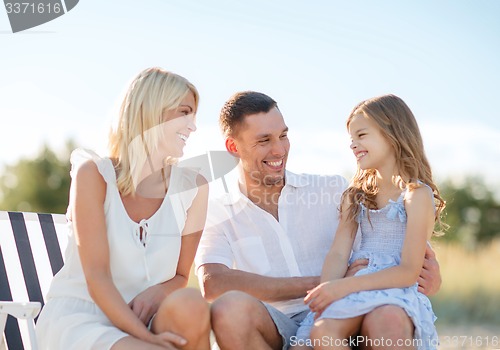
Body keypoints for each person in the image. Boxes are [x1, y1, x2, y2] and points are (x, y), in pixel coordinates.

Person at [194, 91, 442, 350]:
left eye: (283, 136)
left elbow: (393, 254)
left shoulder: (333, 190)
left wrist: (428, 278)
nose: (278, 149)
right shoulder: (218, 209)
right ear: (234, 147)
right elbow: (213, 283)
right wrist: (327, 287)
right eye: (264, 140)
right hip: (282, 322)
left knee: (387, 320)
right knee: (230, 309)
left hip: (355, 314)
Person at [36, 67, 211, 350]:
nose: (192, 127)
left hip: (148, 318)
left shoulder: (195, 187)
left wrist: (158, 293)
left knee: (190, 303)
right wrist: (147, 339)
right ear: (151, 111)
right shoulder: (94, 175)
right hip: (85, 317)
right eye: (184, 112)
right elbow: (97, 277)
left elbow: (181, 275)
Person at [295, 94, 446, 350]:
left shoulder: (416, 195)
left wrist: (343, 287)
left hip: (394, 289)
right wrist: (327, 292)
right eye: (351, 139)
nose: (353, 145)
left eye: (361, 135)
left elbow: (409, 271)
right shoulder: (355, 196)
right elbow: (339, 253)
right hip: (351, 288)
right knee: (321, 333)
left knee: (387, 324)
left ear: (391, 132)